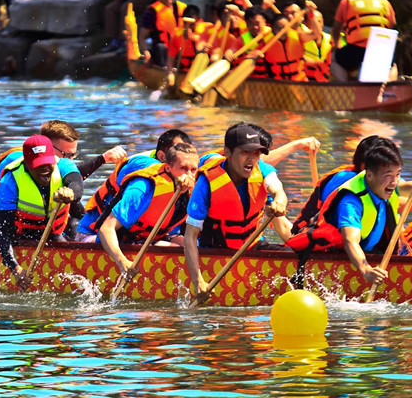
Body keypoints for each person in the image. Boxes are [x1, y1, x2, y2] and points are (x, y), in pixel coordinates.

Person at [286, 139, 412, 285]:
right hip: (334, 255)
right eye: (389, 175)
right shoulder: (351, 199)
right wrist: (366, 269)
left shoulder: (383, 182)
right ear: (369, 173)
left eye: (397, 174)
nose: (395, 182)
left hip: (368, 249)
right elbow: (350, 240)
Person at [184, 122, 289, 302]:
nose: (251, 159)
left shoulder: (262, 170)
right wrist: (198, 281)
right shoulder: (206, 183)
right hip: (215, 252)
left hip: (252, 245)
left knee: (296, 252)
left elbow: (278, 190)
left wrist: (279, 201)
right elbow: (190, 237)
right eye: (245, 152)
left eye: (256, 153)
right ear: (227, 152)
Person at [0, 120, 126, 238]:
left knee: (78, 218)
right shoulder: (15, 161)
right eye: (66, 154)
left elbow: (73, 177)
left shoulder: (61, 166)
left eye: (74, 155)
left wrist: (103, 159)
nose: (70, 161)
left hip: (48, 218)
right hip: (12, 221)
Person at [0, 135, 83, 290]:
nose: (45, 169)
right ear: (27, 163)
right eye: (39, 164)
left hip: (53, 232)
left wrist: (71, 192)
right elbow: (1, 232)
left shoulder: (64, 165)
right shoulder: (10, 181)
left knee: (76, 224)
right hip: (20, 235)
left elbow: (77, 184)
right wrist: (15, 268)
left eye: (48, 162)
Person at [97, 143, 199, 277]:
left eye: (193, 169)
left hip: (148, 238)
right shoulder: (142, 188)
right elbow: (106, 229)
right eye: (183, 168)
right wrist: (123, 263)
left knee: (191, 246)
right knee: (170, 247)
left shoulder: (195, 189)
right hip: (113, 241)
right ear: (168, 168)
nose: (189, 175)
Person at [76, 129, 193, 243]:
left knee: (184, 244)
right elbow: (107, 229)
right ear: (162, 157)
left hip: (140, 237)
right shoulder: (141, 166)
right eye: (178, 151)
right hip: (93, 234)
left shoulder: (181, 174)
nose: (185, 157)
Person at [331, 0, 396, 81]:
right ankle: (390, 85)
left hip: (357, 49)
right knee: (392, 65)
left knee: (333, 59)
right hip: (381, 48)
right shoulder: (383, 0)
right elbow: (392, 23)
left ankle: (345, 85)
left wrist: (336, 45)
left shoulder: (347, 1)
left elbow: (336, 29)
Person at [263, 9, 320, 81]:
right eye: (278, 28)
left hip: (299, 81)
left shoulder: (298, 36)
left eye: (284, 27)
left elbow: (315, 33)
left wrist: (311, 14)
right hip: (277, 84)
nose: (282, 31)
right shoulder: (266, 43)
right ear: (272, 28)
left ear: (289, 27)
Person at [139, 0, 187, 67]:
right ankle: (164, 69)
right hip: (163, 50)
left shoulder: (183, 8)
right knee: (160, 47)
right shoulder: (152, 11)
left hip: (179, 47)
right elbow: (142, 36)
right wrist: (145, 52)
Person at [303, 10, 333, 82]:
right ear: (306, 23)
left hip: (324, 79)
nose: (317, 24)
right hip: (306, 78)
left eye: (319, 21)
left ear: (323, 22)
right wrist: (314, 62)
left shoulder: (330, 38)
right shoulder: (301, 38)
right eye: (313, 21)